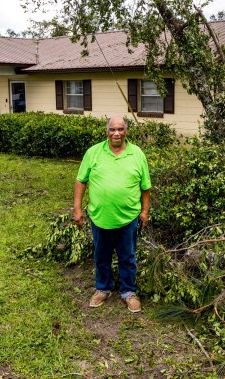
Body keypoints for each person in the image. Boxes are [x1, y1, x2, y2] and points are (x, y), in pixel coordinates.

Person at [73, 116, 151, 313]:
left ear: (126, 131)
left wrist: (144, 211)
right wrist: (77, 208)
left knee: (128, 257)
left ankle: (128, 292)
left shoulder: (137, 154)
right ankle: (103, 289)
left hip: (128, 218)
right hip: (101, 217)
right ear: (106, 131)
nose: (116, 133)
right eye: (112, 129)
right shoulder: (94, 152)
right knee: (101, 256)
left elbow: (145, 187)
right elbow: (81, 181)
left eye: (120, 129)